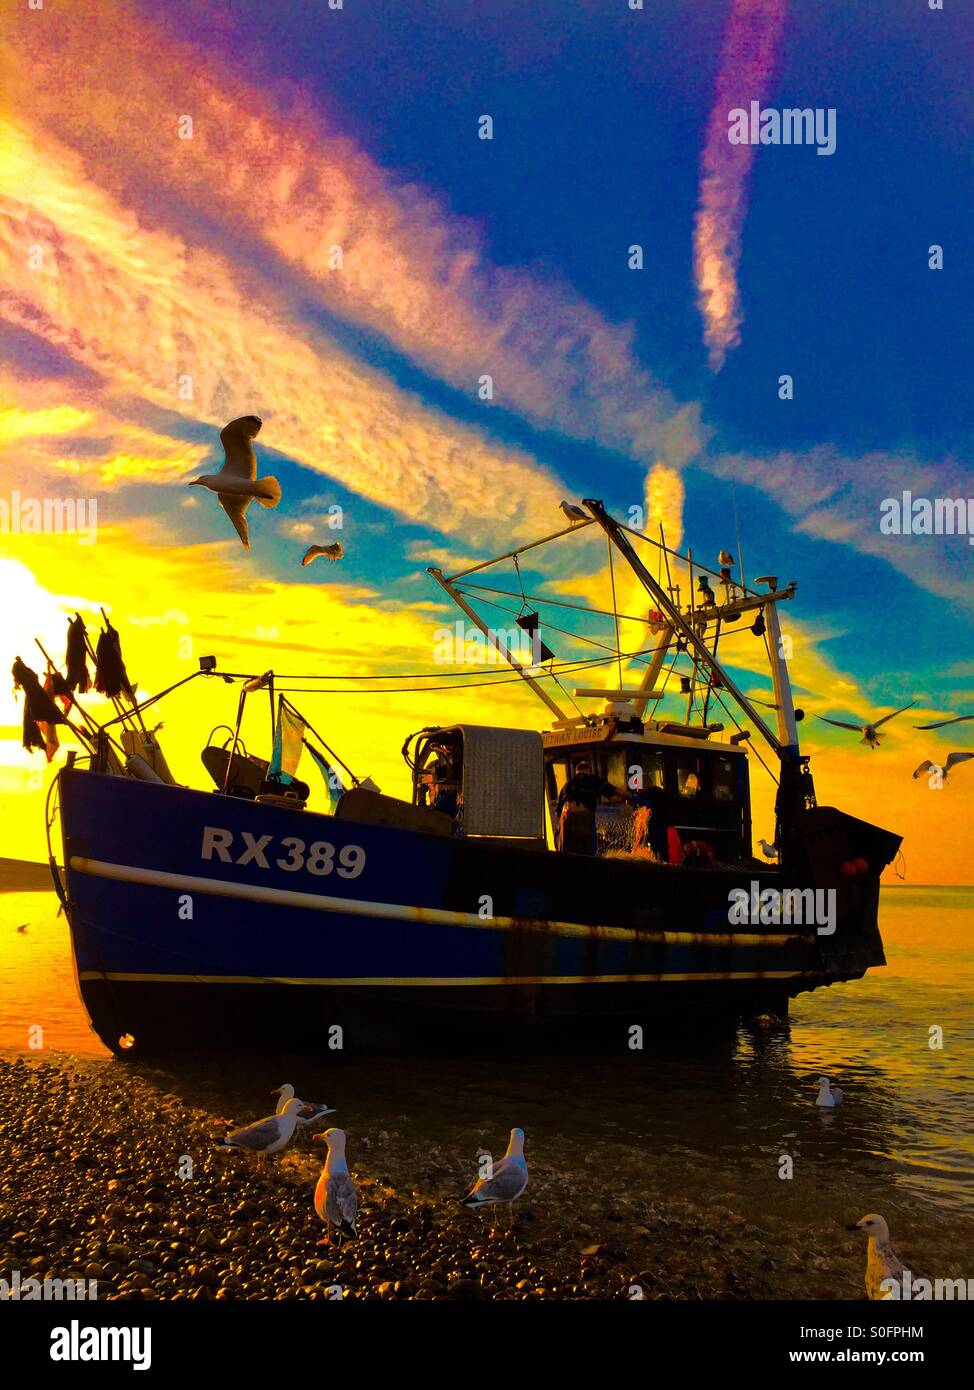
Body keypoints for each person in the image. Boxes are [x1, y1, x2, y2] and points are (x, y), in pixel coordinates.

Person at [555, 759, 620, 855]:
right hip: (585, 822)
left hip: (566, 825)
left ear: (576, 771)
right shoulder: (592, 779)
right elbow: (615, 791)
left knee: (569, 856)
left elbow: (557, 813)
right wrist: (631, 797)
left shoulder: (566, 785)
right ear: (588, 771)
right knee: (588, 854)